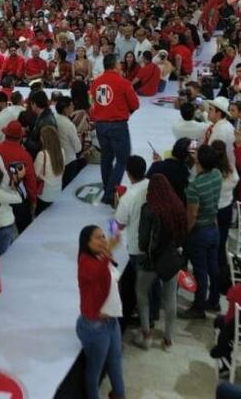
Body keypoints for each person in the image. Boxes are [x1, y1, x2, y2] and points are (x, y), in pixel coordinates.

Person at [133, 174, 186, 351]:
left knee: (142, 293)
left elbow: (143, 240)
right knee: (170, 297)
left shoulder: (148, 209)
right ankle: (168, 339)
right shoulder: (178, 207)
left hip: (150, 261)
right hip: (171, 261)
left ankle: (146, 334)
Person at [76, 224, 126, 399]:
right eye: (98, 237)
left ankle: (119, 394)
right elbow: (96, 274)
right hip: (94, 326)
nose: (103, 239)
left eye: (104, 236)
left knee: (116, 360)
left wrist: (108, 253)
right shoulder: (84, 261)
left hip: (111, 322)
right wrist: (108, 251)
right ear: (86, 242)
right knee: (95, 369)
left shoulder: (102, 256)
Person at [89, 53, 140, 205]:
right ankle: (110, 193)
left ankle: (108, 188)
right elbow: (135, 104)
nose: (121, 65)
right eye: (119, 63)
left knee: (106, 157)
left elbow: (96, 102)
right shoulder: (123, 82)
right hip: (117, 125)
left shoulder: (96, 83)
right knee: (123, 159)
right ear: (115, 65)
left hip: (100, 125)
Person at [182, 144, 223, 317]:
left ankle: (198, 307)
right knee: (213, 268)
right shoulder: (217, 175)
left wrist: (185, 233)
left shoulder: (195, 187)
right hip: (214, 228)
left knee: (200, 272)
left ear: (199, 160)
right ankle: (214, 301)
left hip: (199, 232)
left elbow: (192, 214)